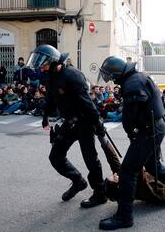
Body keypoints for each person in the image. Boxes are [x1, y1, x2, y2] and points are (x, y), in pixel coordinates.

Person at [97, 56, 165, 230]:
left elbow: (132, 116)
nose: (111, 80)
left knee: (127, 171)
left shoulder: (133, 84)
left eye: (112, 76)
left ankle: (124, 217)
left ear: (118, 73)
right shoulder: (138, 78)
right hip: (154, 129)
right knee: (152, 165)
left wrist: (132, 135)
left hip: (148, 131)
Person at [26, 44, 107, 207]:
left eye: (45, 65)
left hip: (85, 122)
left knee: (91, 160)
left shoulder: (72, 75)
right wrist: (45, 116)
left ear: (55, 62)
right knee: (55, 157)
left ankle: (100, 194)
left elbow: (87, 102)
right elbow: (50, 96)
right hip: (69, 123)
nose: (42, 68)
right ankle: (78, 181)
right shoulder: (50, 76)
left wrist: (98, 123)